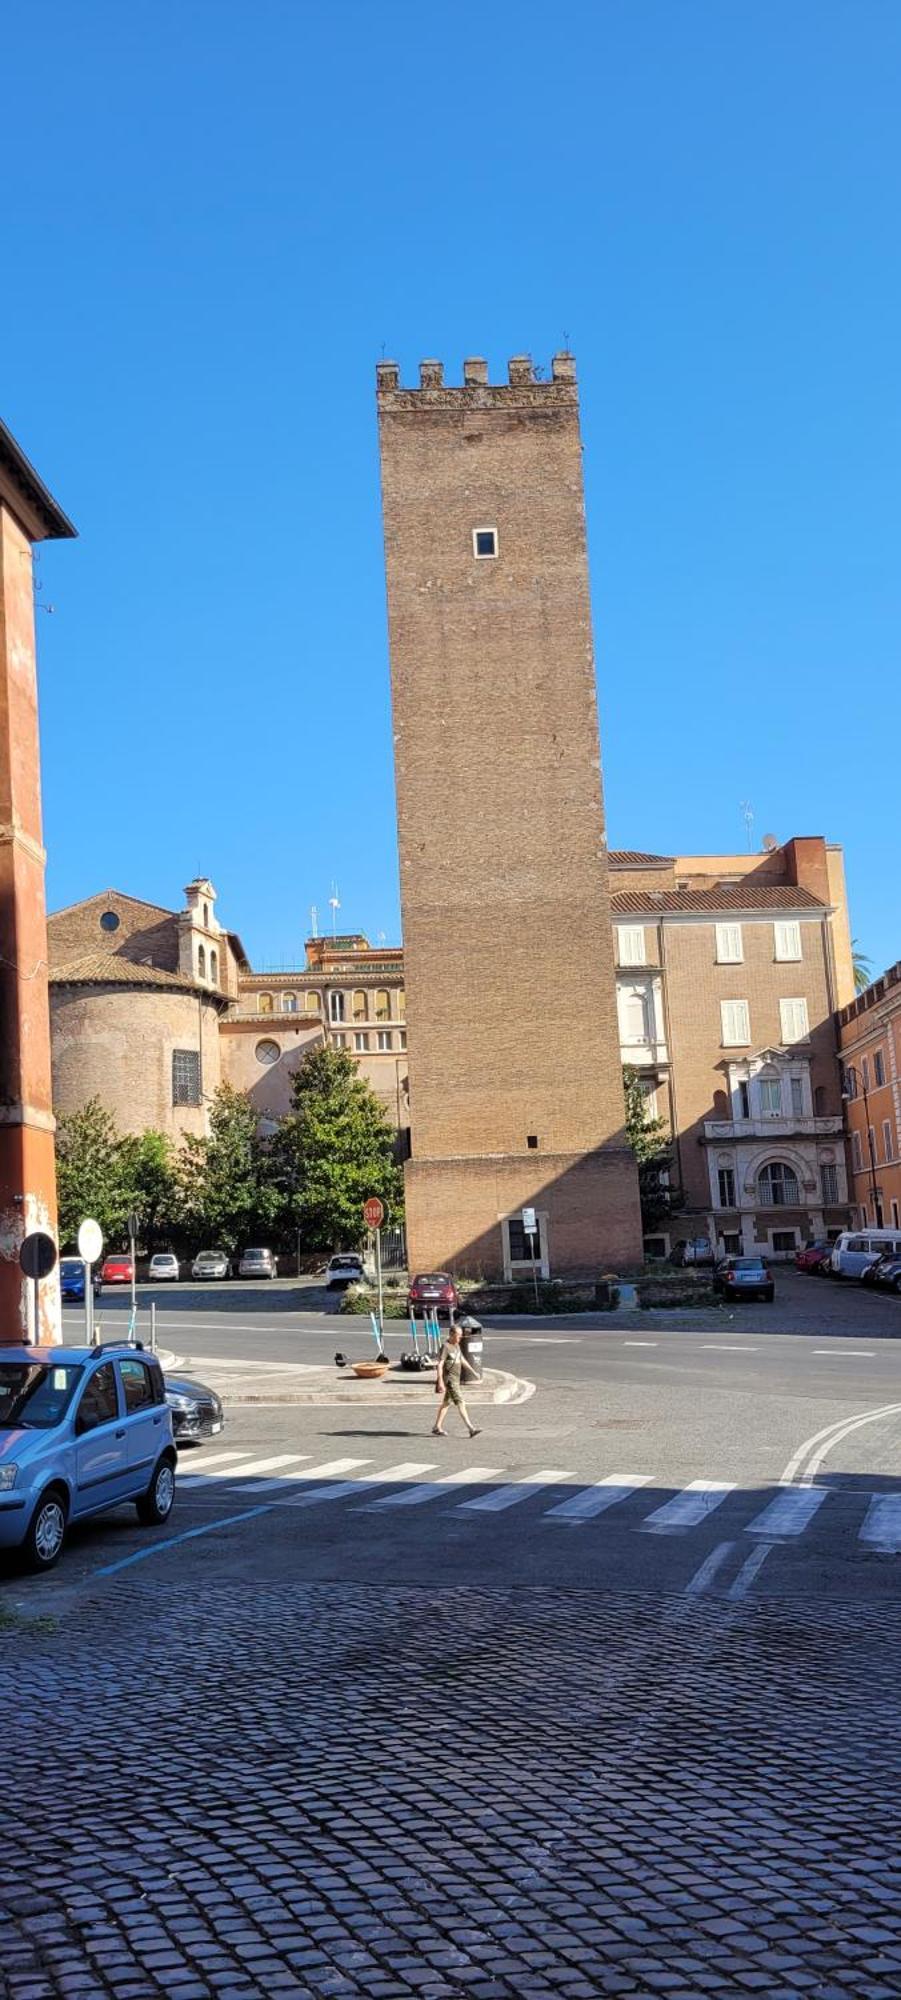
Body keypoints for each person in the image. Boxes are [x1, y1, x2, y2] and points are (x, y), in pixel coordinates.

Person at [432, 1322, 481, 1439]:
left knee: (446, 1403)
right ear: (451, 1334)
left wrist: (473, 1372)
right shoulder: (446, 1347)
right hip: (450, 1381)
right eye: (458, 1335)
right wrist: (440, 1382)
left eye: (461, 1335)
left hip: (456, 1380)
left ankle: (436, 1427)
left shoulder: (457, 1346)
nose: (460, 1338)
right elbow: (439, 1365)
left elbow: (462, 1360)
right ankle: (471, 1429)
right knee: (461, 1402)